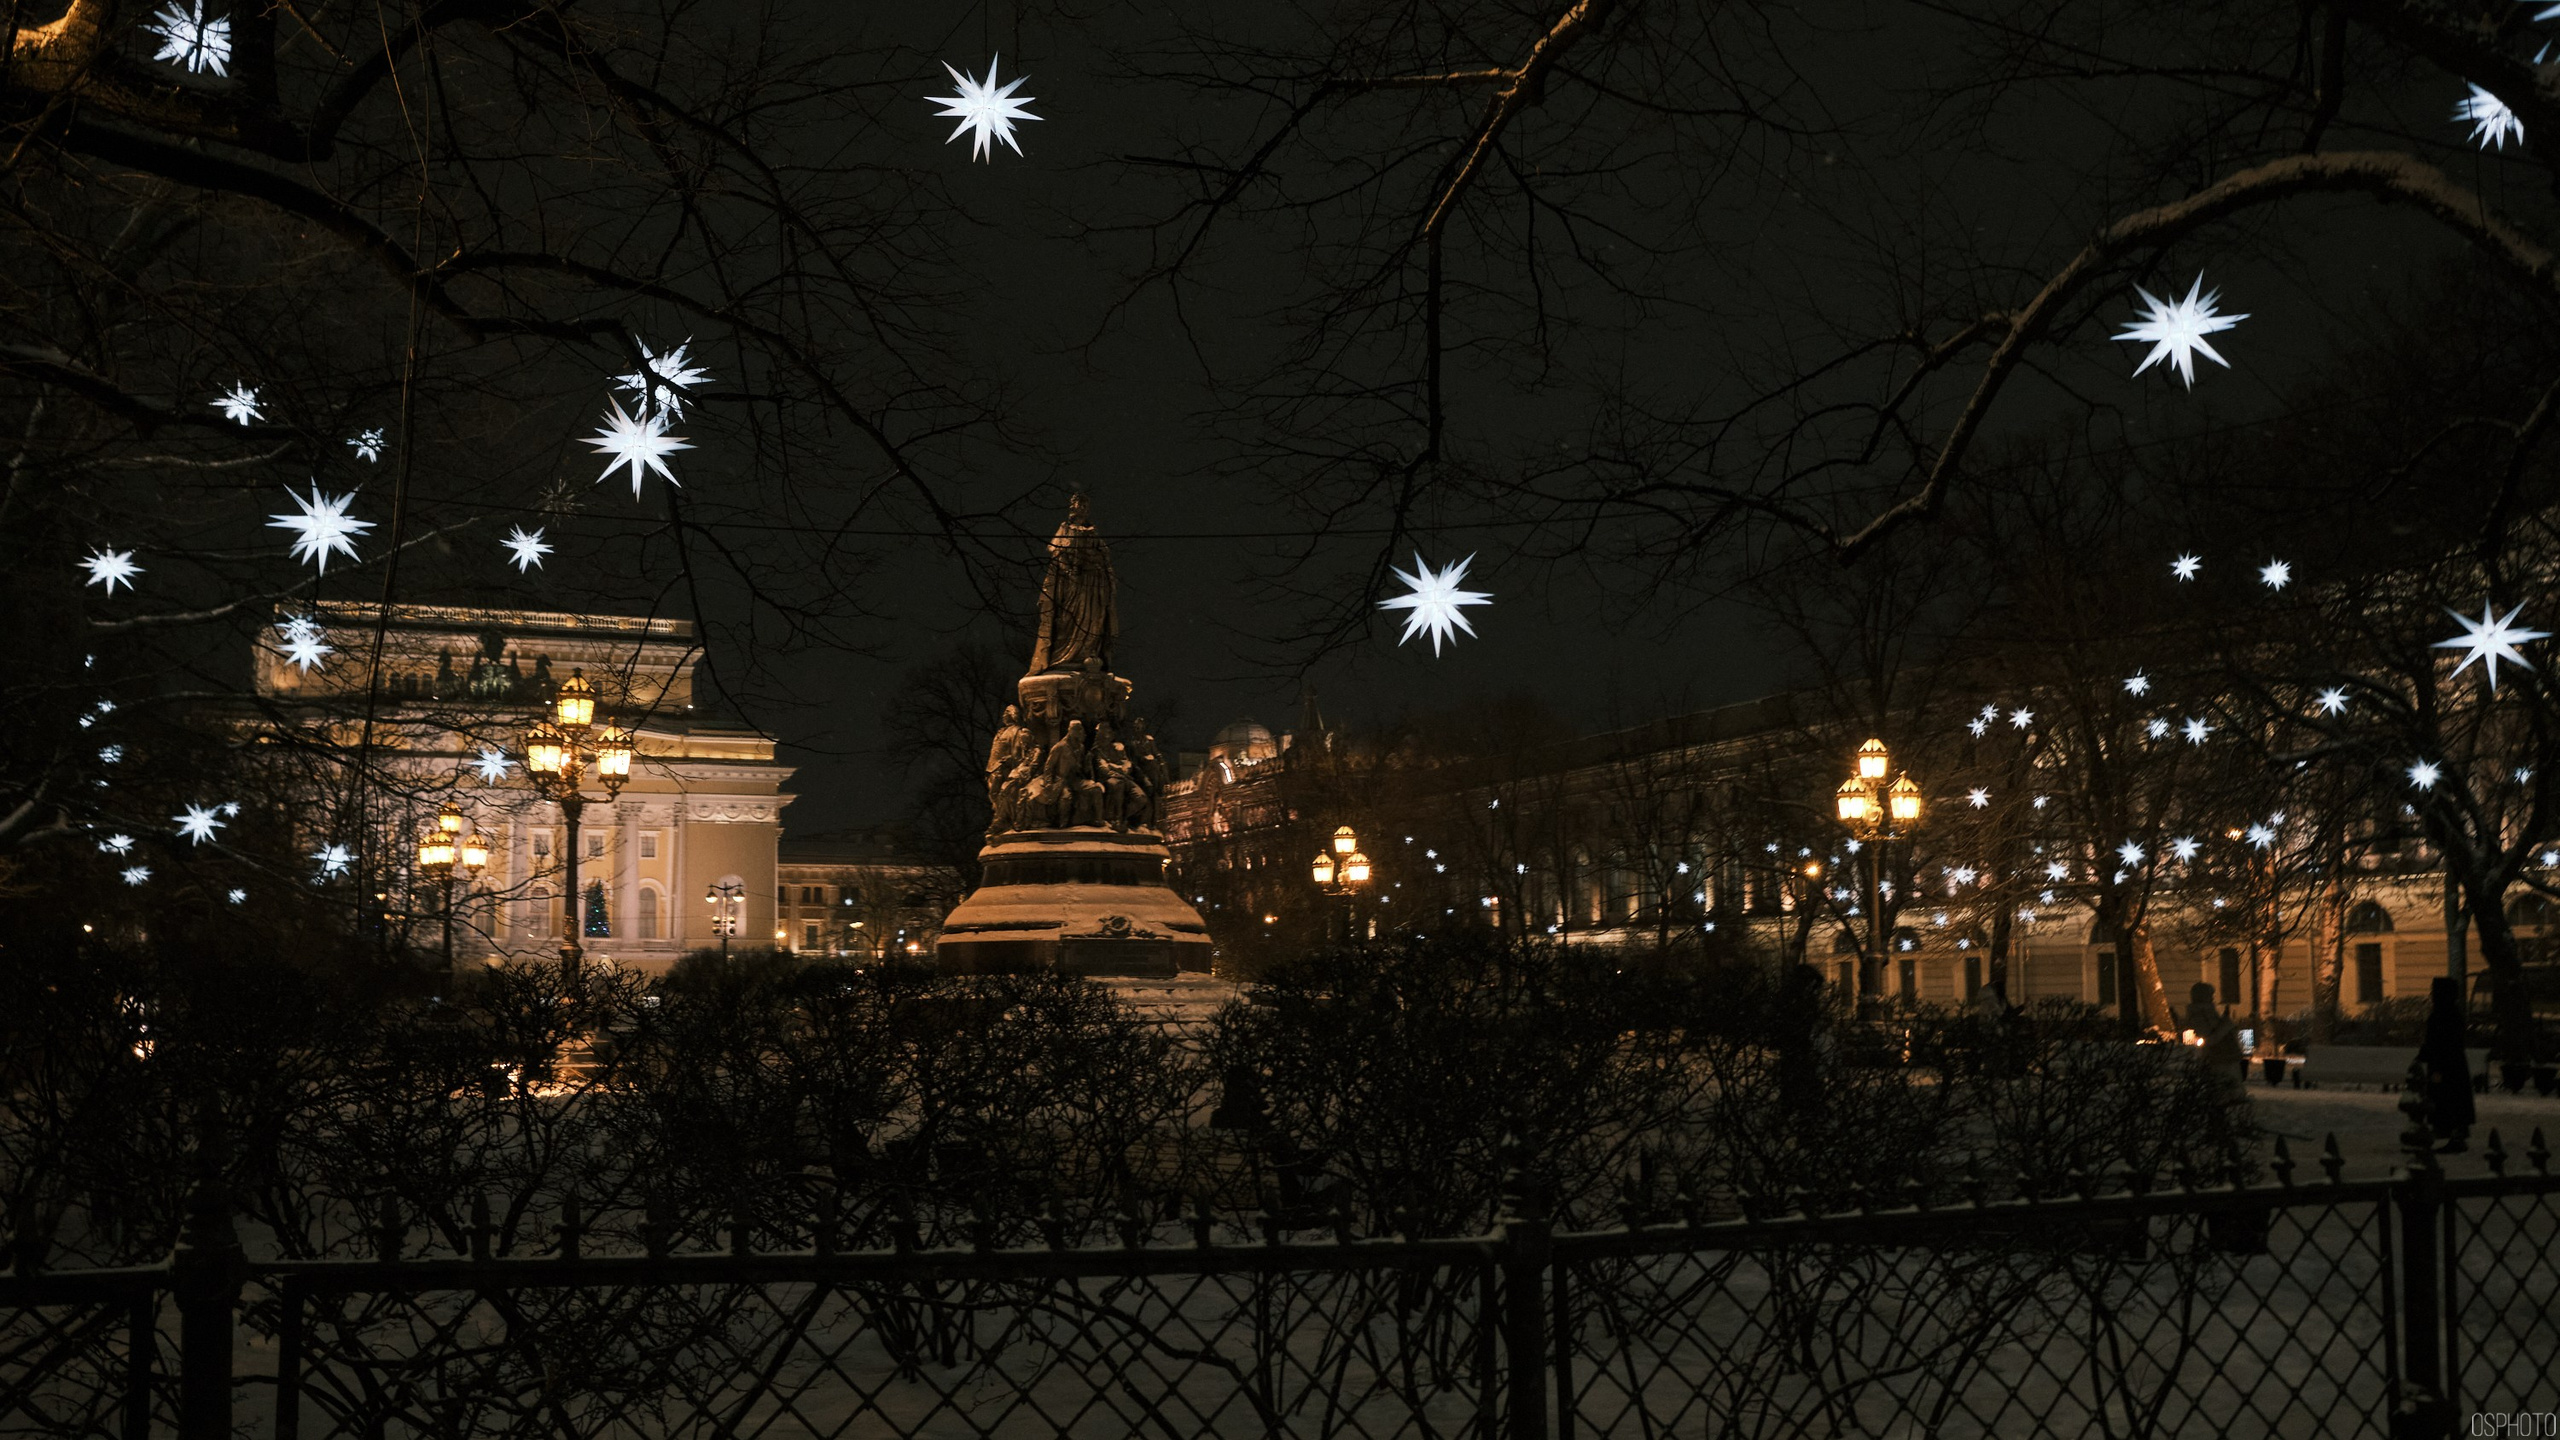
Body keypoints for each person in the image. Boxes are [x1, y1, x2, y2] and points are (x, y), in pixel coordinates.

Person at [2416, 975, 2477, 1152]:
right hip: (2450, 1065)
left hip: (2444, 1066)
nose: (2432, 995)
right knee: (2450, 1099)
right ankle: (2454, 1132)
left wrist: (2427, 1057)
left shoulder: (2443, 1015)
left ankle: (2453, 1133)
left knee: (2448, 1099)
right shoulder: (2450, 1013)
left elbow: (2438, 1041)